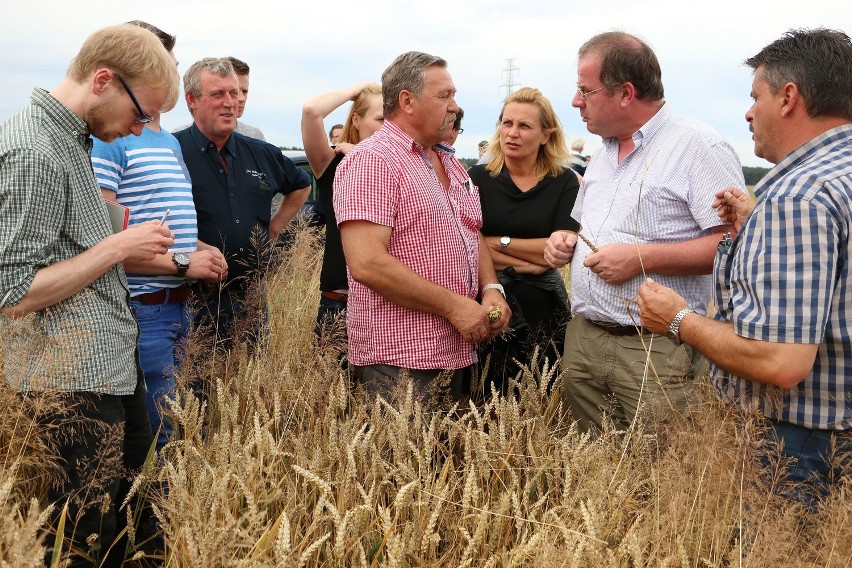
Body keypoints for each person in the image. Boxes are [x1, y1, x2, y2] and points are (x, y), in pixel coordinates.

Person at [638, 28, 852, 504]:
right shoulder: (836, 180)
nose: (749, 112)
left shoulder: (800, 196)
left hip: (803, 447)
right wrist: (758, 226)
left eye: (756, 96)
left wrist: (678, 319)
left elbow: (780, 361)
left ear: (789, 98)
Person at [0, 24, 177, 566]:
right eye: (140, 113)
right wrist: (118, 245)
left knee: (128, 523)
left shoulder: (72, 139)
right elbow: (12, 292)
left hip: (106, 368)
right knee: (86, 540)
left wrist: (117, 240)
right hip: (69, 381)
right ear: (104, 79)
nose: (140, 129)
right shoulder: (35, 150)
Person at [544, 31, 745, 433]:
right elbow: (585, 227)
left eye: (586, 90)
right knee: (594, 469)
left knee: (654, 475)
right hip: (585, 338)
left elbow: (733, 245)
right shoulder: (601, 155)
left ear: (625, 93)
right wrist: (563, 243)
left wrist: (640, 258)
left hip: (654, 349)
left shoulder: (698, 146)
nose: (575, 101)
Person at [334, 51, 510, 407]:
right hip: (400, 359)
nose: (454, 106)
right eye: (444, 96)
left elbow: (470, 231)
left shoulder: (447, 159)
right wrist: (455, 307)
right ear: (407, 101)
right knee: (404, 462)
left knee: (447, 462)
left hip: (458, 348)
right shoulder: (372, 161)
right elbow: (367, 262)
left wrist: (491, 288)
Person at [90, 22, 228, 452]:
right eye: (164, 65)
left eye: (172, 64)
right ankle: (150, 518)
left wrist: (204, 250)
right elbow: (102, 243)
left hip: (179, 309)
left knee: (180, 426)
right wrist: (185, 263)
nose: (171, 73)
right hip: (141, 309)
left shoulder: (166, 141)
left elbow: (173, 220)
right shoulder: (113, 140)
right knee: (156, 434)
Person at [175, 57, 311, 348]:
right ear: (191, 100)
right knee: (195, 386)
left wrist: (273, 230)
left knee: (248, 384)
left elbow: (301, 185)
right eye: (218, 94)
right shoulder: (173, 151)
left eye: (234, 93)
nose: (230, 102)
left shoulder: (261, 153)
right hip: (191, 298)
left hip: (250, 298)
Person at [469, 87, 579, 396]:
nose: (512, 133)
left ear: (546, 135)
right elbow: (468, 244)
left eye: (524, 126)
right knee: (488, 394)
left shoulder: (563, 181)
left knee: (543, 394)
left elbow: (559, 253)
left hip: (545, 307)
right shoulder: (477, 179)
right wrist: (533, 253)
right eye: (507, 123)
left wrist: (495, 244)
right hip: (492, 302)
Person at [301, 83, 383, 350]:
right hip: (340, 303)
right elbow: (312, 111)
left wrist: (361, 154)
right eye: (381, 119)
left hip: (387, 307)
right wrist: (358, 90)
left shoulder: (400, 169)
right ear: (357, 119)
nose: (388, 127)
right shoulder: (333, 163)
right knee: (332, 391)